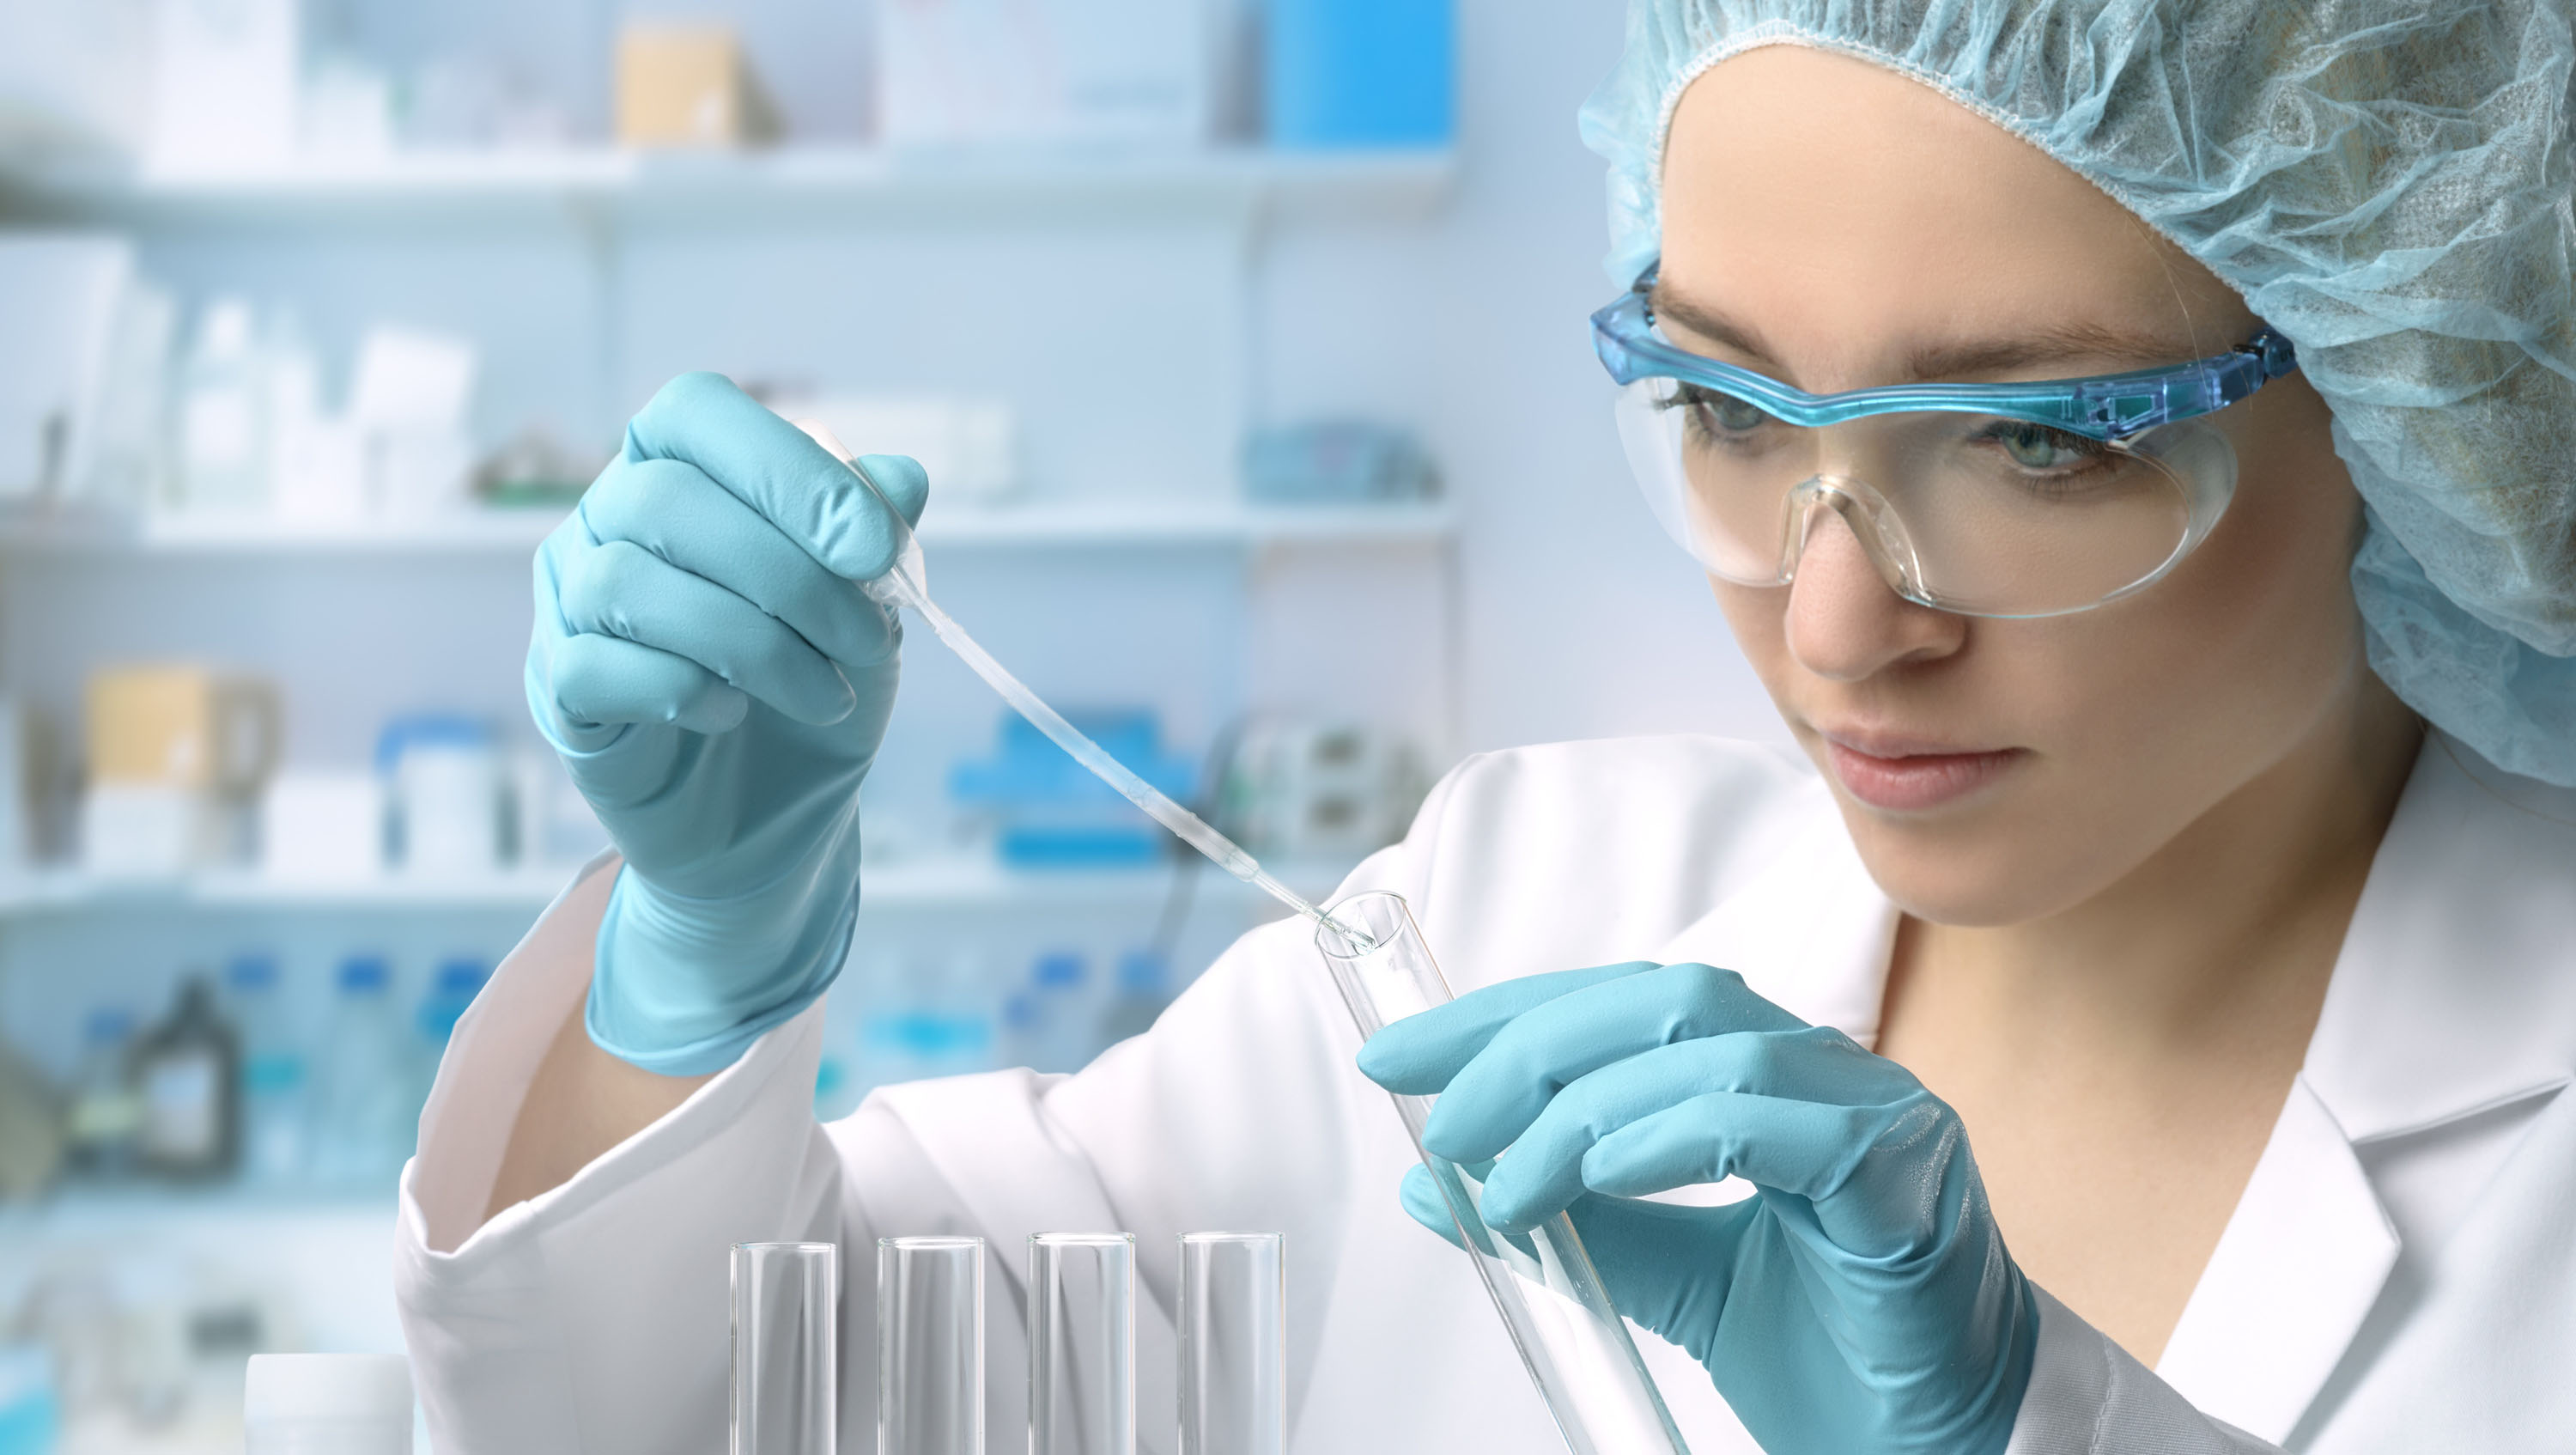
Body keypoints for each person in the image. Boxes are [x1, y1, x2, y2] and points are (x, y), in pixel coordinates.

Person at [396, 3, 2576, 1452]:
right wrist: (690, 968)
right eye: (1726, 406)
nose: (1834, 623)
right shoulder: (1507, 916)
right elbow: (718, 1403)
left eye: (2043, 444)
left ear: (2432, 392)